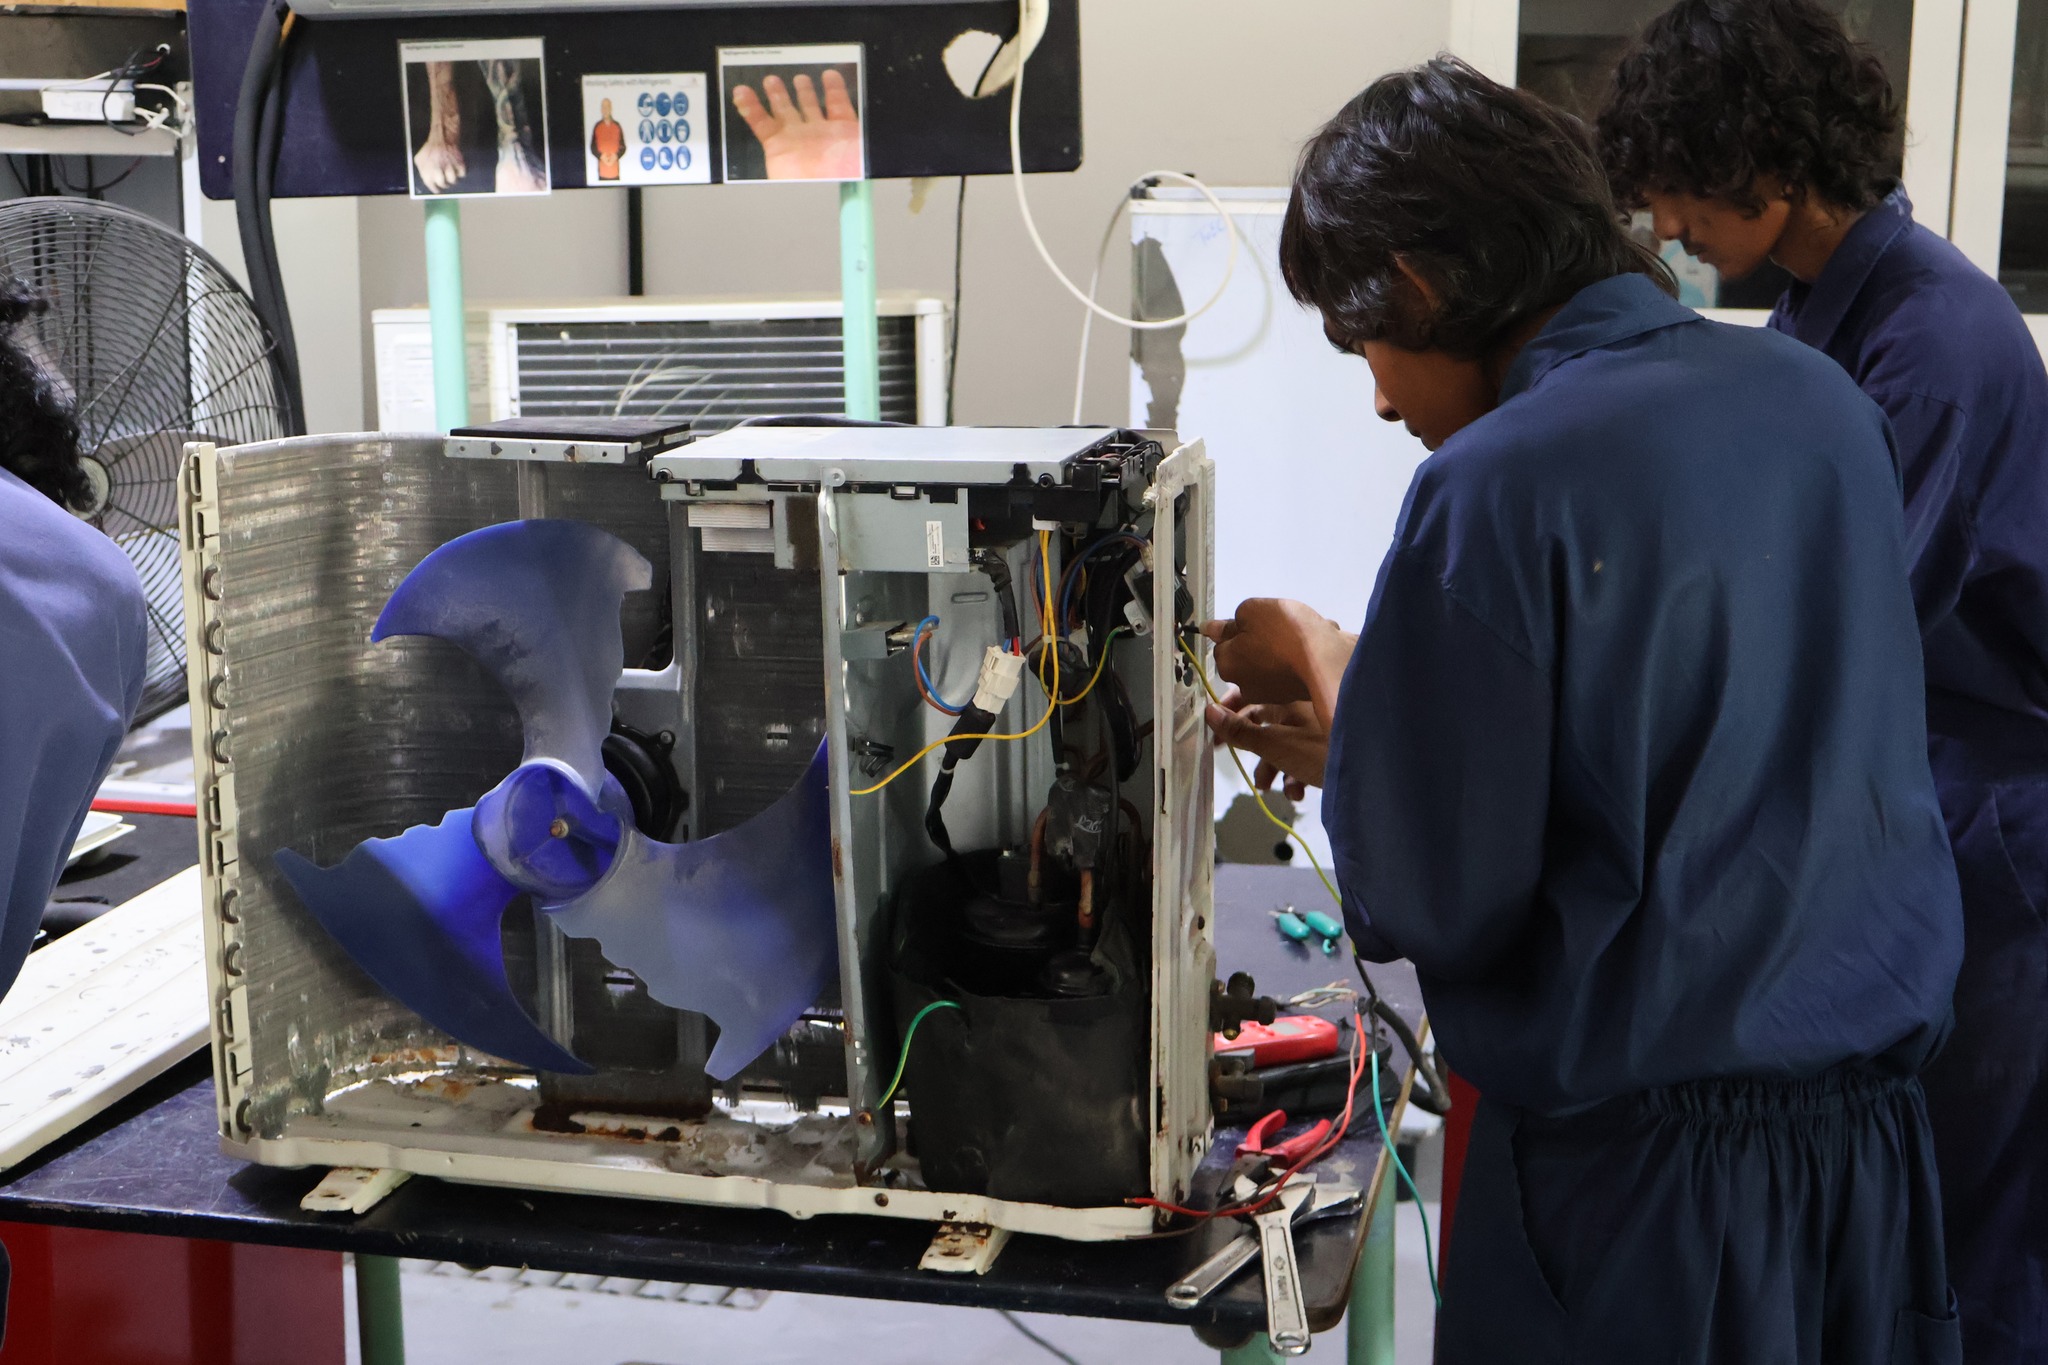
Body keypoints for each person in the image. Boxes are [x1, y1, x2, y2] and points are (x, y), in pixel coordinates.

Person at [1204, 58, 1964, 1361]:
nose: (1378, 397)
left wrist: (1335, 664)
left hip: (1643, 1198)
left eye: (1360, 342)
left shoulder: (1498, 483)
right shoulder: (1818, 403)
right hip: (1868, 1175)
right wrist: (1384, 737)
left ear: (1418, 284)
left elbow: (1440, 899)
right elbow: (1703, 756)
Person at [1598, 6, 2048, 1357]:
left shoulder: (1932, 345)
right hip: (1922, 778)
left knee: (1973, 1221)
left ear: (1765, 162)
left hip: (1993, 812)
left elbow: (1840, 624)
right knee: (1905, 1216)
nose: (1664, 223)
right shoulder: (1815, 311)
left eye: (1676, 187)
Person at [590, 96, 625, 182]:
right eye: (603, 107)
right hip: (602, 173)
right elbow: (593, 147)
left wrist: (616, 156)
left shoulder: (617, 126)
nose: (605, 109)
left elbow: (623, 147)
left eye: (607, 107)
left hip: (615, 173)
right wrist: (601, 156)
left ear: (611, 109)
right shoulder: (597, 126)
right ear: (601, 110)